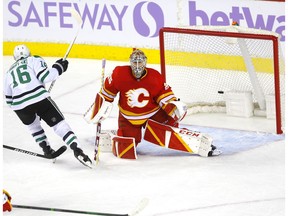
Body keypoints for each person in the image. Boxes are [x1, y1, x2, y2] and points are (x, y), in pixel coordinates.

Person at [88, 49, 221, 158]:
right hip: (129, 118)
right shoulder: (119, 74)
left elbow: (164, 96)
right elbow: (107, 95)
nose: (138, 66)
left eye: (140, 62)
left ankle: (199, 144)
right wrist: (100, 109)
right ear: (130, 62)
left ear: (145, 62)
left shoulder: (154, 76)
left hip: (153, 114)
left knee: (169, 133)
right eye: (135, 62)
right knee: (125, 151)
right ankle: (112, 136)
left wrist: (172, 107)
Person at [3, 44, 92, 167]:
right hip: (39, 98)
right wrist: (59, 67)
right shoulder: (34, 59)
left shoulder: (8, 72)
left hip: (20, 106)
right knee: (59, 125)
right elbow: (46, 76)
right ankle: (77, 150)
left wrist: (25, 107)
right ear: (28, 53)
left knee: (33, 126)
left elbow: (8, 99)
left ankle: (46, 149)